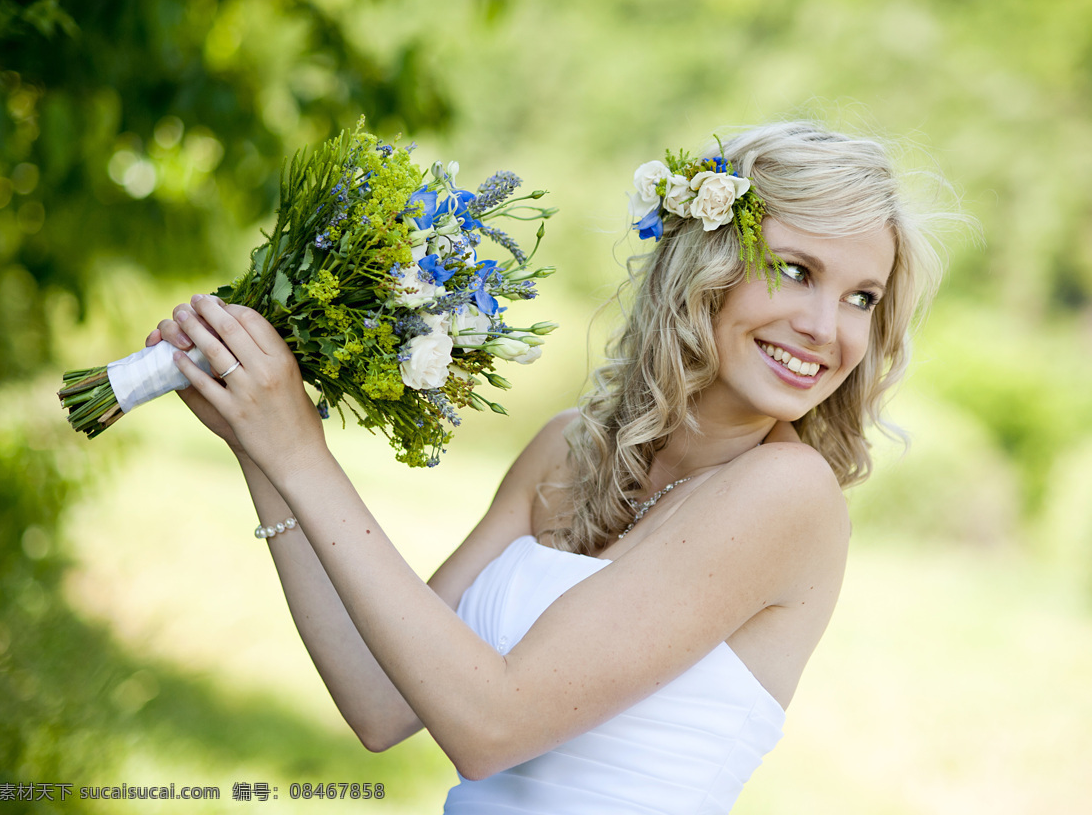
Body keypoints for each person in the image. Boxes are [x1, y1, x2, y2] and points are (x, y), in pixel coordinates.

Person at [147, 120, 947, 813]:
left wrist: (301, 449)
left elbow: (491, 727)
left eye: (863, 299)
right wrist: (259, 444)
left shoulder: (788, 492)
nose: (825, 328)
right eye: (797, 271)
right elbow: (379, 701)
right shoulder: (568, 449)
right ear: (706, 267)